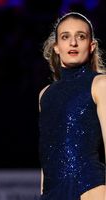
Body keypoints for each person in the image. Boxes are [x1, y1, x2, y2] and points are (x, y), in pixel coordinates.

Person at [38, 12, 106, 200]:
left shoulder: (100, 84)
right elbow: (47, 152)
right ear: (57, 47)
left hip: (89, 188)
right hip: (52, 193)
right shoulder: (45, 95)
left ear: (92, 46)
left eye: (81, 37)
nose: (73, 43)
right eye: (65, 37)